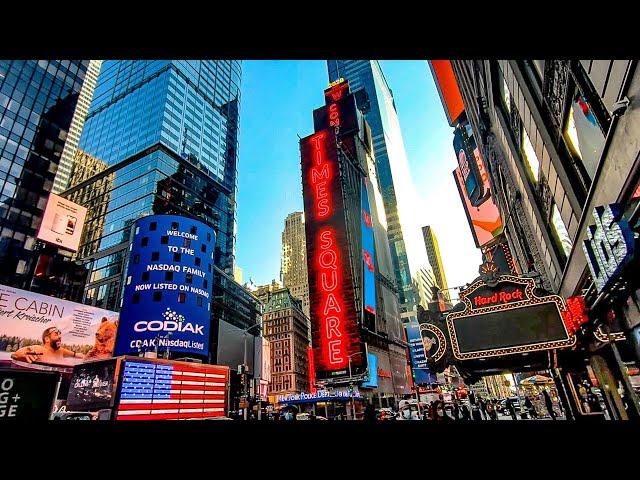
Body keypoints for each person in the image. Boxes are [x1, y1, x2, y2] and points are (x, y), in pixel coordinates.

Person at [11, 327, 83, 365]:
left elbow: (77, 355)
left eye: (60, 334)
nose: (60, 337)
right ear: (47, 339)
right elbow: (16, 354)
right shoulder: (39, 349)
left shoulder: (61, 351)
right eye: (56, 334)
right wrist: (22, 355)